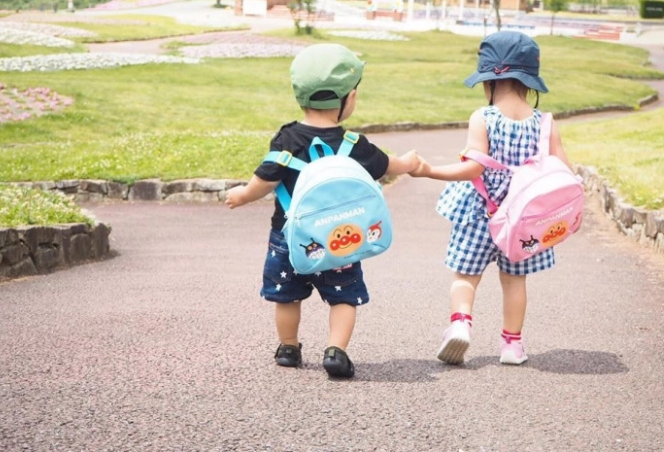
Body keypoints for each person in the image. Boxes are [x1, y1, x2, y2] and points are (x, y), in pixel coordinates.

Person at [225, 43, 419, 379]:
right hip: (340, 241)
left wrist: (242, 195)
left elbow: (266, 178)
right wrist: (410, 163)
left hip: (289, 238)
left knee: (286, 297)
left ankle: (288, 347)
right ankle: (336, 350)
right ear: (348, 99)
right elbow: (388, 165)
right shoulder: (355, 146)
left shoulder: (287, 139)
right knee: (343, 298)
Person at [410, 31, 574, 366]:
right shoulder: (545, 123)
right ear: (529, 81)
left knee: (465, 278)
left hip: (479, 215)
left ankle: (460, 325)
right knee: (514, 282)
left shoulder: (483, 117)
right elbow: (564, 171)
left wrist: (429, 170)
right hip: (523, 223)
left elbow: (473, 169)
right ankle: (512, 346)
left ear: (489, 82)